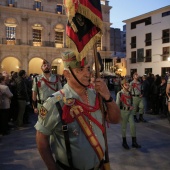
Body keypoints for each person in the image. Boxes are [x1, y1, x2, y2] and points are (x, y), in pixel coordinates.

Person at [35, 51, 121, 170]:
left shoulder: (97, 96)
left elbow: (115, 119)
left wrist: (107, 96)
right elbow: (41, 139)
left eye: (88, 68)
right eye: (80, 69)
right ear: (67, 74)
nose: (88, 73)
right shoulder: (55, 103)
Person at [116, 79, 141, 150]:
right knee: (123, 127)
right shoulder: (120, 93)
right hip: (123, 112)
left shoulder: (129, 93)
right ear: (122, 85)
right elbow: (117, 104)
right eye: (125, 85)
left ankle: (134, 142)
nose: (127, 86)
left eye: (128, 84)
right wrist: (118, 114)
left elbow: (131, 101)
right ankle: (124, 142)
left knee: (133, 125)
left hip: (130, 112)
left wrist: (132, 107)